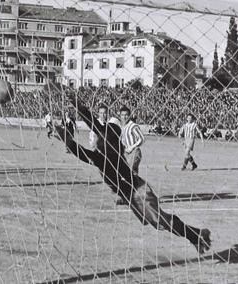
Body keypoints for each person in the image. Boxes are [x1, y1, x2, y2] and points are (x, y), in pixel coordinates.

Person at [51, 95, 212, 254]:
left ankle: (197, 236)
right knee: (160, 222)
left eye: (100, 134)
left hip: (138, 193)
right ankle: (197, 235)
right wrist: (76, 107)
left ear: (106, 138)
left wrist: (66, 137)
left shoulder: (106, 156)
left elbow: (83, 147)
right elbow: (92, 127)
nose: (97, 135)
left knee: (161, 222)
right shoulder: (108, 151)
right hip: (132, 194)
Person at [119, 106, 144, 175]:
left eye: (126, 115)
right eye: (122, 115)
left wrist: (132, 147)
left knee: (128, 173)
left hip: (134, 152)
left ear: (129, 115)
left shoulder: (133, 126)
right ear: (120, 116)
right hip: (126, 154)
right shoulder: (121, 127)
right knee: (132, 174)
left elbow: (142, 139)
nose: (124, 117)